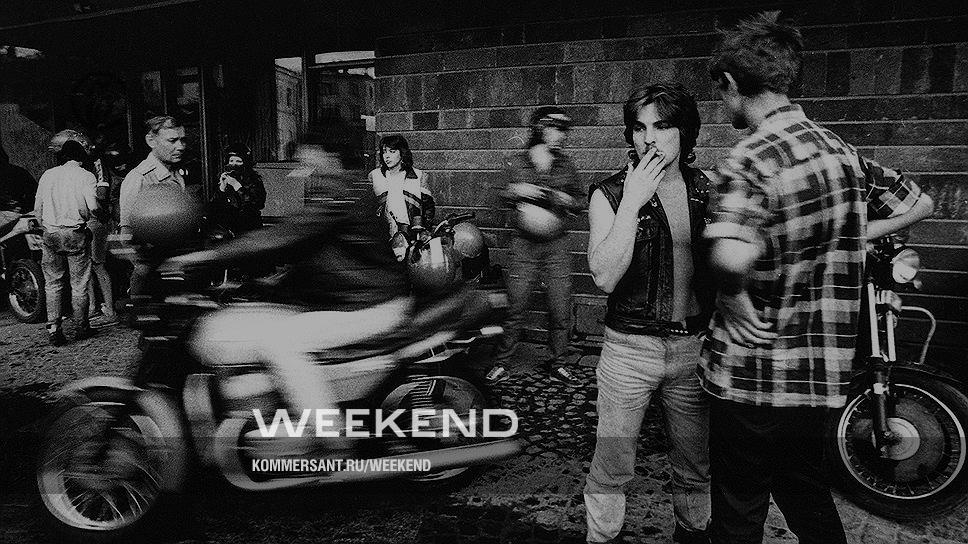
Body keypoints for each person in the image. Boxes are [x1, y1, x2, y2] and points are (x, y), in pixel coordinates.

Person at [702, 12, 935, 544]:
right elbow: (918, 202)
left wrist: (731, 292)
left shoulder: (750, 160)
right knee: (805, 490)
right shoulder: (841, 153)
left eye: (721, 93)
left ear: (732, 84)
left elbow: (730, 256)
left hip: (752, 374)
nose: (723, 103)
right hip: (817, 379)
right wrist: (853, 233)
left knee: (739, 509)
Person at [161, 145, 411, 453]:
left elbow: (286, 236)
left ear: (330, 156)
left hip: (369, 305)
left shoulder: (341, 193)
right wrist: (261, 286)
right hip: (351, 299)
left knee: (280, 341)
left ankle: (331, 436)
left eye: (307, 162)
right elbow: (315, 253)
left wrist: (206, 257)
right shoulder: (343, 189)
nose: (301, 170)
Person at [583, 84, 713, 544]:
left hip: (693, 352)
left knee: (695, 465)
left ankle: (693, 533)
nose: (649, 139)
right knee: (612, 463)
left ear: (685, 132)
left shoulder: (706, 190)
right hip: (629, 352)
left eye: (662, 126)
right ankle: (602, 537)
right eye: (639, 128)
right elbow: (604, 276)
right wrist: (633, 202)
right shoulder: (610, 194)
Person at [486, 106, 585, 386]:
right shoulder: (517, 162)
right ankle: (502, 363)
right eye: (557, 129)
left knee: (560, 307)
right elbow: (496, 198)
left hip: (556, 246)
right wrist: (516, 190)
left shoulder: (567, 165)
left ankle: (559, 363)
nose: (562, 136)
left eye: (565, 131)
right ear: (540, 128)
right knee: (515, 307)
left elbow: (581, 202)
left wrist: (567, 200)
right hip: (524, 246)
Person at [48, 129, 119, 328]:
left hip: (94, 219)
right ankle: (91, 309)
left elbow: (102, 193)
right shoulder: (77, 168)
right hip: (82, 221)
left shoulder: (96, 163)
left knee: (97, 264)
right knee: (85, 268)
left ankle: (110, 311)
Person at [34, 140, 98, 345]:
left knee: (53, 283)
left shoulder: (48, 175)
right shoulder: (86, 176)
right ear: (81, 158)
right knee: (79, 284)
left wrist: (47, 227)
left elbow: (37, 209)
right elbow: (92, 207)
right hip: (74, 233)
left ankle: (54, 329)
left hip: (50, 233)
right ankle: (81, 327)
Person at [119, 116, 191, 296]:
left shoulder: (177, 174)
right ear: (151, 141)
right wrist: (143, 267)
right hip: (152, 277)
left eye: (183, 140)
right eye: (172, 141)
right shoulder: (139, 178)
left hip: (176, 269)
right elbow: (126, 234)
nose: (180, 146)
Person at [369, 134, 434, 260]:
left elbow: (428, 208)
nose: (387, 156)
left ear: (402, 153)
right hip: (383, 238)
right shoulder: (375, 176)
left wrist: (423, 232)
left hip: (412, 237)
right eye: (384, 152)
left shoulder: (419, 176)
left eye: (392, 151)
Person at [208, 143, 267, 234]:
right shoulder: (227, 180)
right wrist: (221, 189)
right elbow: (214, 207)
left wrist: (237, 187)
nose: (234, 164)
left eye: (238, 161)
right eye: (231, 161)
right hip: (228, 228)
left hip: (248, 228)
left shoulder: (254, 181)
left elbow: (256, 204)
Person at [0, 142, 37, 236]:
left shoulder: (18, 173)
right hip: (18, 217)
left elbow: (34, 194)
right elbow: (34, 195)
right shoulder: (19, 172)